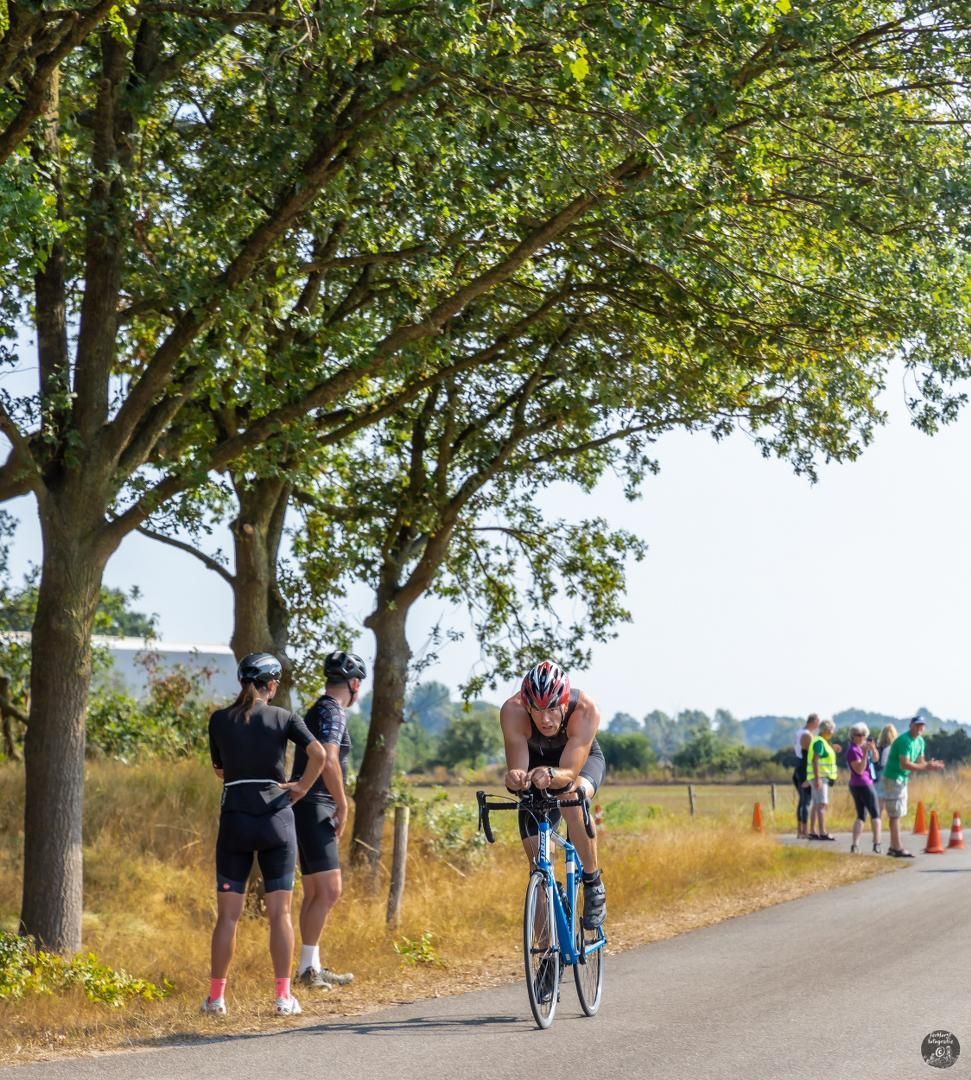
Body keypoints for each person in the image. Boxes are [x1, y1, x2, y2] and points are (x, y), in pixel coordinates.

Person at [203, 652, 325, 1017]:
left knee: (227, 916)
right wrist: (301, 786)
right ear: (271, 685)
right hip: (276, 819)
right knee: (280, 914)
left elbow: (220, 771)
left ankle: (216, 999)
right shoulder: (284, 717)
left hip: (236, 819)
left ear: (243, 682)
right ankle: (283, 998)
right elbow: (318, 753)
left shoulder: (219, 720)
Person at [500, 660, 607, 930]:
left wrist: (552, 774)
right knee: (538, 865)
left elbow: (569, 771)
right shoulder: (513, 711)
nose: (544, 719)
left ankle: (594, 883)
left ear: (564, 701)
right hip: (537, 765)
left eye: (551, 709)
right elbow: (519, 771)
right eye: (536, 709)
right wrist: (515, 778)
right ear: (526, 704)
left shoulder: (585, 710)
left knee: (572, 799)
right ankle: (546, 957)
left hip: (578, 763)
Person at [291, 650, 366, 991]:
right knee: (330, 890)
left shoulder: (319, 709)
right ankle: (308, 970)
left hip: (306, 805)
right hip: (318, 804)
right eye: (359, 684)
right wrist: (343, 803)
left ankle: (311, 967)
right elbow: (330, 761)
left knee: (315, 892)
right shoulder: (332, 712)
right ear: (353, 683)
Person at [882, 715, 944, 858]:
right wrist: (925, 767)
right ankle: (897, 848)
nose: (920, 727)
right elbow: (905, 763)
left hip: (902, 778)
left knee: (898, 813)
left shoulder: (920, 741)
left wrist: (930, 766)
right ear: (911, 726)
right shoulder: (905, 741)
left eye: (922, 725)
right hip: (894, 778)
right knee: (896, 814)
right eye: (917, 725)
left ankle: (893, 847)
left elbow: (921, 761)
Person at [845, 722, 882, 853]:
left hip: (862, 783)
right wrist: (866, 753)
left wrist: (873, 749)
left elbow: (877, 760)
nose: (861, 738)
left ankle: (855, 845)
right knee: (875, 814)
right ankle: (877, 843)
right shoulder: (853, 750)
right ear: (853, 736)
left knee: (861, 815)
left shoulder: (863, 747)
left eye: (864, 735)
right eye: (858, 735)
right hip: (862, 783)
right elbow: (860, 770)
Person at [806, 718, 839, 841]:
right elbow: (816, 759)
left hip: (818, 777)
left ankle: (813, 831)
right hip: (820, 777)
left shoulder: (822, 741)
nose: (833, 732)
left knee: (816, 804)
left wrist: (833, 748)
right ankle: (823, 832)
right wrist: (818, 778)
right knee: (822, 804)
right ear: (827, 730)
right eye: (832, 730)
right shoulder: (820, 742)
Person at [792, 713, 820, 839]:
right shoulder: (807, 735)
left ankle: (800, 830)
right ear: (813, 721)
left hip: (798, 766)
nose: (818, 725)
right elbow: (812, 756)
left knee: (802, 801)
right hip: (804, 768)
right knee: (806, 801)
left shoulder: (799, 732)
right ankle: (804, 831)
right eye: (817, 723)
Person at [874, 723, 898, 822]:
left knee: (880, 802)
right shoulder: (894, 748)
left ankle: (877, 822)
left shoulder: (878, 748)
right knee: (893, 802)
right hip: (890, 775)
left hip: (879, 775)